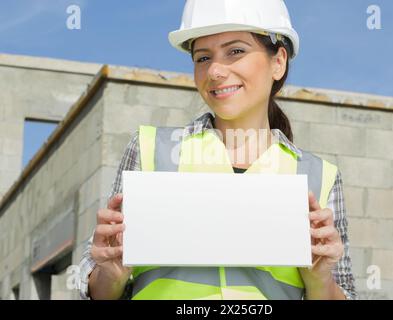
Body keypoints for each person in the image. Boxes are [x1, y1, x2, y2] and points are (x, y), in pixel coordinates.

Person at [79, 0, 357, 300]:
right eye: (202, 58)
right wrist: (110, 274)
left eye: (235, 51)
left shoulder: (318, 176)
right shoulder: (150, 150)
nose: (214, 71)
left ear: (278, 62)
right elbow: (98, 289)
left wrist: (319, 281)